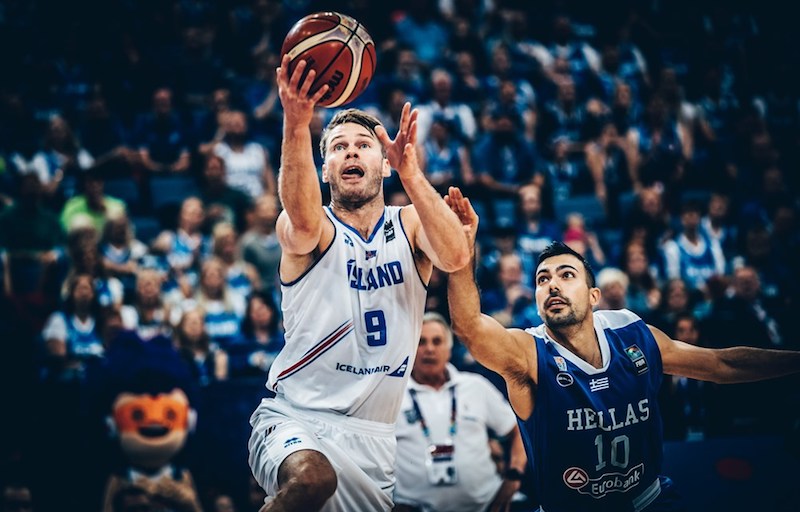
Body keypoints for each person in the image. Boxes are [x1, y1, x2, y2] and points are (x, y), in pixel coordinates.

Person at [444, 187, 800, 512]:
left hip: (648, 501)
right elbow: (469, 328)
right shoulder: (529, 353)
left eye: (566, 275)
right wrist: (463, 251)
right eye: (542, 279)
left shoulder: (631, 333)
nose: (552, 285)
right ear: (537, 302)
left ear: (594, 296)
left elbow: (721, 364)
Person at [246, 55, 470, 512]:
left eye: (364, 145)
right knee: (311, 481)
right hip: (296, 416)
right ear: (324, 169)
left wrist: (411, 171)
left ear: (383, 164)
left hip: (374, 439)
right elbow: (302, 224)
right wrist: (297, 124)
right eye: (338, 147)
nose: (350, 152)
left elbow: (455, 256)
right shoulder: (310, 227)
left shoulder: (409, 223)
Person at [393, 312, 528, 512]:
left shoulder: (475, 386)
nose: (429, 349)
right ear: (410, 348)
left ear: (449, 349)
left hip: (487, 506)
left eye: (437, 341)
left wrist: (513, 477)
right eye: (421, 342)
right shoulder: (393, 395)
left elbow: (519, 429)